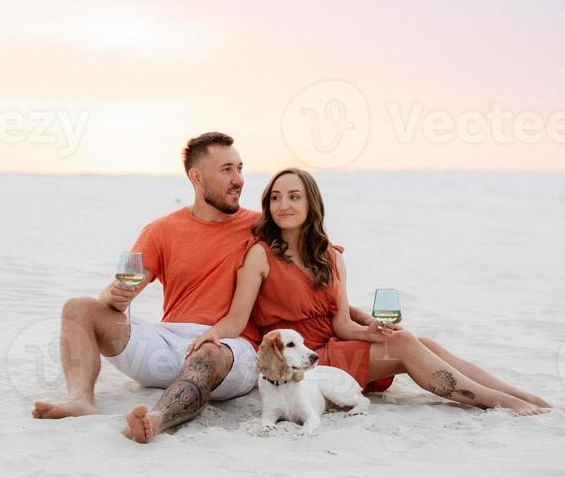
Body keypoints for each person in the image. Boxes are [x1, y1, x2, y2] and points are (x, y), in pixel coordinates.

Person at [32, 133, 381, 441]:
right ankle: (80, 399)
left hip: (232, 347)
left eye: (240, 168)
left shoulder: (262, 228)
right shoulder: (161, 230)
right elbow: (120, 289)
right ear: (197, 177)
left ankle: (156, 419)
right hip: (167, 342)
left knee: (209, 352)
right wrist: (112, 296)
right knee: (78, 308)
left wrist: (361, 319)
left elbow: (311, 284)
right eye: (227, 170)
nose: (239, 179)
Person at [189, 168, 550, 416]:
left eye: (294, 197)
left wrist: (369, 332)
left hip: (333, 346)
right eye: (276, 198)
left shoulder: (330, 256)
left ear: (310, 203)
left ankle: (522, 395)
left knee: (425, 342)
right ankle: (500, 403)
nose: (283, 205)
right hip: (302, 360)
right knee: (407, 342)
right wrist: (212, 334)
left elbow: (342, 324)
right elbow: (237, 318)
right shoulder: (260, 254)